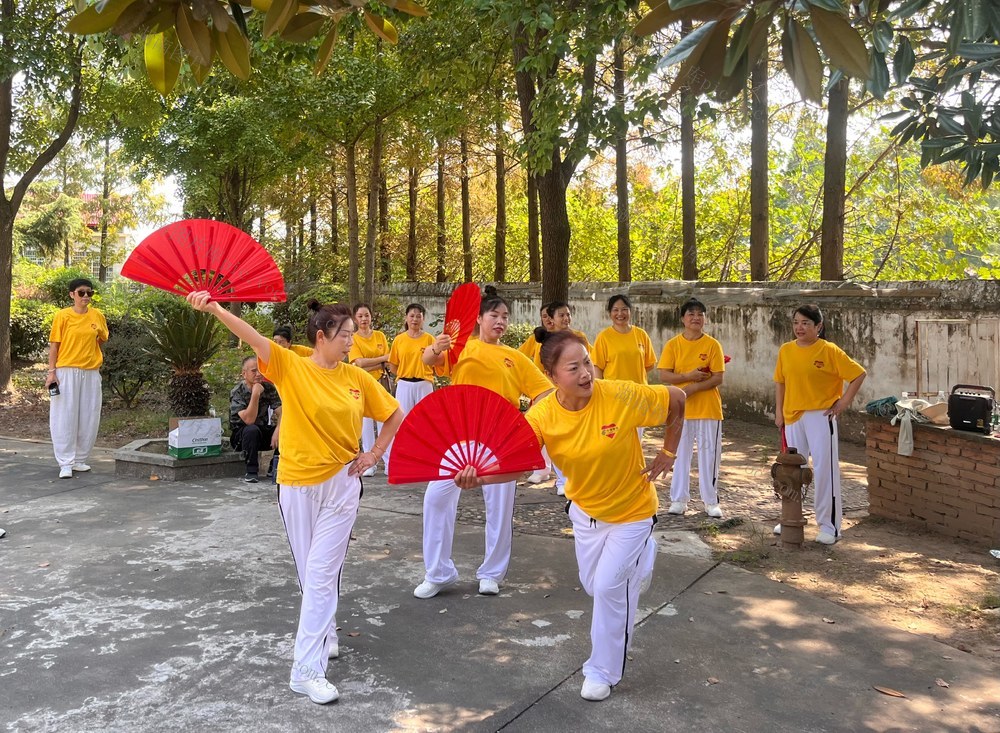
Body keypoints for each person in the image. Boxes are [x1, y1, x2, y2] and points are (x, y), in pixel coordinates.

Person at [187, 291, 404, 705]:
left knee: (322, 573)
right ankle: (325, 631)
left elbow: (394, 414)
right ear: (322, 336)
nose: (350, 341)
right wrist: (215, 308)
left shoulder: (357, 379)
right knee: (312, 575)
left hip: (342, 485)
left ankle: (306, 669)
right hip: (298, 485)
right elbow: (253, 337)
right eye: (343, 334)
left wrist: (374, 453)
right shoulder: (291, 368)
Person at [456, 329, 684, 702]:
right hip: (586, 515)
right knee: (595, 585)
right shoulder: (542, 415)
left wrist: (669, 453)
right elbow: (519, 463)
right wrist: (478, 476)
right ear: (552, 376)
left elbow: (677, 398)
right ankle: (643, 562)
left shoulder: (619, 394)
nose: (585, 374)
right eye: (573, 367)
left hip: (633, 512)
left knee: (610, 589)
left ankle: (602, 670)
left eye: (587, 364)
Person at [414, 290, 553, 599]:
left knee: (500, 507)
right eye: (494, 316)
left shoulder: (516, 357)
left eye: (505, 317)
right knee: (436, 499)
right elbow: (428, 361)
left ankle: (491, 573)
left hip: (499, 438)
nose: (500, 322)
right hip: (457, 435)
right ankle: (438, 572)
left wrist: (526, 421)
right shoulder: (461, 346)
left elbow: (545, 393)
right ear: (479, 319)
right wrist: (436, 347)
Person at [774, 304, 866, 545]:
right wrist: (779, 412)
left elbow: (858, 374)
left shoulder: (829, 351)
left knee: (825, 469)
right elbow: (780, 382)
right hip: (793, 415)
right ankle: (790, 516)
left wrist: (844, 402)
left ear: (818, 326)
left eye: (805, 323)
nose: (799, 327)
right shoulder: (785, 350)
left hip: (821, 415)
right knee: (791, 471)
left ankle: (828, 525)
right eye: (796, 322)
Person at [658, 298, 726, 518]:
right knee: (678, 454)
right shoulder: (673, 345)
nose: (696, 318)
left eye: (700, 314)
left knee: (709, 456)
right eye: (691, 314)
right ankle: (679, 499)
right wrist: (687, 378)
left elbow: (718, 377)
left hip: (708, 409)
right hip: (680, 410)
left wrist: (693, 388)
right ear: (683, 319)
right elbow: (664, 374)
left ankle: (710, 501)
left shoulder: (712, 344)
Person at [45, 278, 108, 479]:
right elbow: (54, 346)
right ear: (72, 294)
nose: (86, 296)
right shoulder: (62, 316)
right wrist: (51, 372)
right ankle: (65, 462)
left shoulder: (97, 316)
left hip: (90, 372)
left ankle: (80, 459)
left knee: (89, 415)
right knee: (64, 416)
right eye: (81, 293)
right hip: (66, 371)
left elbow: (101, 339)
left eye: (89, 293)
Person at [531, 301, 591, 495]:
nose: (565, 319)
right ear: (551, 319)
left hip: (578, 395)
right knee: (555, 438)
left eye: (567, 314)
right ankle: (562, 480)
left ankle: (577, 477)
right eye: (561, 315)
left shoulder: (579, 337)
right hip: (552, 396)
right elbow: (533, 368)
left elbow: (589, 363)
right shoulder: (547, 343)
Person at [383, 303, 435, 475]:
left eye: (418, 316)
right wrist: (406, 374)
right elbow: (393, 365)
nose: (415, 319)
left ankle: (426, 461)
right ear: (406, 318)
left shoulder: (429, 339)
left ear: (423, 319)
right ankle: (404, 461)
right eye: (412, 315)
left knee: (425, 423)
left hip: (424, 384)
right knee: (403, 423)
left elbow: (436, 361)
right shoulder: (399, 340)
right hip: (404, 384)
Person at [347, 303, 391, 477]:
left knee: (384, 421)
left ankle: (388, 461)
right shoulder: (354, 338)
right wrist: (378, 361)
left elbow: (388, 359)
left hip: (380, 383)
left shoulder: (380, 336)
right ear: (355, 319)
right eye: (360, 316)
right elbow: (358, 363)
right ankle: (368, 463)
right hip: (361, 384)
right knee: (365, 425)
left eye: (366, 315)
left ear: (371, 317)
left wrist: (370, 362)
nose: (364, 319)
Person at [229, 355, 282, 483]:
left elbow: (283, 412)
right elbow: (249, 420)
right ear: (244, 373)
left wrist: (278, 430)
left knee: (288, 429)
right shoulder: (237, 392)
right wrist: (256, 394)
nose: (258, 374)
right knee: (251, 429)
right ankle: (251, 471)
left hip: (262, 432)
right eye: (254, 371)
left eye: (261, 370)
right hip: (241, 437)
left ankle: (274, 467)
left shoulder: (268, 388)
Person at [520, 303, 555, 484]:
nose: (548, 320)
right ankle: (543, 468)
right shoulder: (535, 339)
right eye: (544, 316)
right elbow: (518, 357)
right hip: (542, 392)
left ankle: (565, 477)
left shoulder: (570, 338)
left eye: (551, 315)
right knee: (541, 429)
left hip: (564, 391)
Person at [592, 294, 655, 383]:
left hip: (639, 391)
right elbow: (597, 368)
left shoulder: (641, 334)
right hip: (614, 393)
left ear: (630, 311)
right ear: (610, 313)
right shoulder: (603, 337)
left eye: (624, 309)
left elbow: (649, 365)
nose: (620, 313)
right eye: (615, 310)